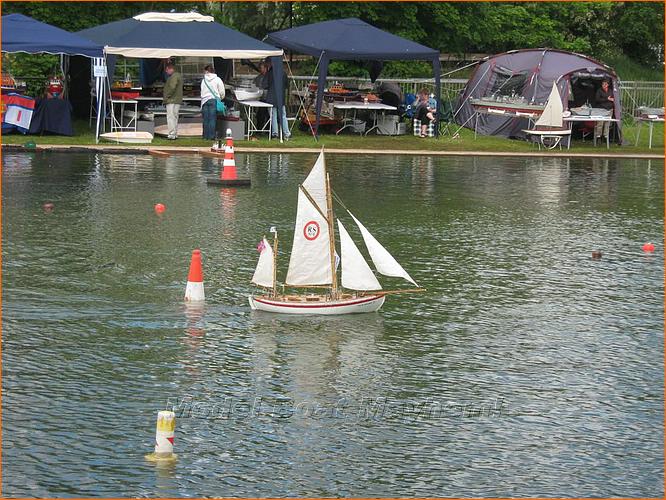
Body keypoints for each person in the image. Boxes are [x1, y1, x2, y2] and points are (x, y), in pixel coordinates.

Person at [263, 58, 291, 141]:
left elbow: (264, 85)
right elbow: (287, 86)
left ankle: (275, 134)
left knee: (273, 116)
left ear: (270, 63)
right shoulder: (283, 73)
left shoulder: (269, 73)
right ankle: (287, 133)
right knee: (283, 116)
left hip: (271, 98)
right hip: (280, 97)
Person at [200, 64, 226, 141]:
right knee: (212, 119)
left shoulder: (203, 80)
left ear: (207, 71)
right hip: (213, 100)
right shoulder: (217, 79)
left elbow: (202, 90)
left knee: (205, 119)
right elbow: (222, 91)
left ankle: (205, 136)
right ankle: (211, 136)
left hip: (204, 101)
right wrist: (220, 98)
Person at [163, 63, 183, 140]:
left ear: (171, 69)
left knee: (170, 117)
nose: (166, 72)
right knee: (175, 117)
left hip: (171, 100)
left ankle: (171, 134)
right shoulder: (178, 75)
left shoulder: (173, 76)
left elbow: (172, 87)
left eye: (167, 70)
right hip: (177, 100)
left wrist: (166, 97)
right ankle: (174, 133)